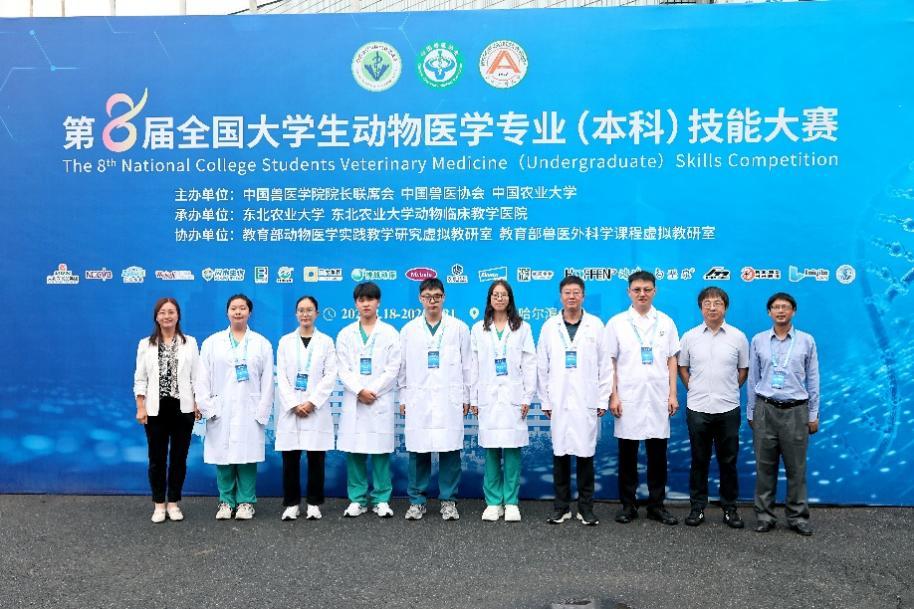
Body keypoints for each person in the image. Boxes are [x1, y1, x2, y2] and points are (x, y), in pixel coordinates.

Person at [536, 275, 612, 526]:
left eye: (576, 292)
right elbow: (542, 366)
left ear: (583, 296)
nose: (572, 296)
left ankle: (586, 508)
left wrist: (602, 399)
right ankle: (561, 507)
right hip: (558, 400)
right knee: (560, 455)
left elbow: (605, 365)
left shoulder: (595, 325)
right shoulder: (550, 327)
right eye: (567, 292)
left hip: (586, 400)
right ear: (561, 296)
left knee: (585, 455)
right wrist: (545, 401)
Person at [606, 270, 680, 526]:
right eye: (637, 290)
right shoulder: (617, 323)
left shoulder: (666, 322)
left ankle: (656, 505)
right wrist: (613, 395)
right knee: (627, 456)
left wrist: (672, 394)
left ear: (654, 291)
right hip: (628, 398)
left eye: (647, 289)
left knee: (657, 456)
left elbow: (672, 359)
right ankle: (628, 505)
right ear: (629, 292)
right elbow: (610, 362)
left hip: (658, 398)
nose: (642, 294)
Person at [398, 278, 472, 521]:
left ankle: (448, 501)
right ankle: (417, 501)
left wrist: (466, 395)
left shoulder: (459, 328)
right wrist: (403, 396)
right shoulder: (409, 330)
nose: (433, 301)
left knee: (450, 451)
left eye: (437, 296)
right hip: (418, 398)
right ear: (420, 298)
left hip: (448, 398)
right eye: (428, 296)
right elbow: (402, 368)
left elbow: (467, 365)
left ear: (444, 297)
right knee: (418, 451)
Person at [195, 294, 274, 521]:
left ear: (249, 312)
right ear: (227, 312)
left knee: (247, 458)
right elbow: (202, 378)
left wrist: (261, 411)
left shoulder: (261, 343)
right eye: (233, 308)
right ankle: (226, 502)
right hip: (222, 409)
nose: (238, 312)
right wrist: (208, 408)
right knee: (224, 457)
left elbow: (268, 381)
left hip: (250, 410)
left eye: (242, 308)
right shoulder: (212, 343)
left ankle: (246, 503)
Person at [748, 292, 820, 536]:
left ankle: (797, 517)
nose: (780, 311)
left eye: (785, 307)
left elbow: (813, 379)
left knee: (796, 469)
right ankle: (764, 516)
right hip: (765, 409)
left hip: (796, 411)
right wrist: (751, 411)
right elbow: (753, 379)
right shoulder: (758, 340)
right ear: (769, 312)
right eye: (776, 307)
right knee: (764, 468)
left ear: (793, 311)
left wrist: (813, 414)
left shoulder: (807, 341)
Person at [677, 287, 749, 528]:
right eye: (707, 303)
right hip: (698, 408)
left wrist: (729, 389)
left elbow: (743, 370)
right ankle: (697, 507)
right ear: (701, 308)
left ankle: (730, 508)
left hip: (728, 408)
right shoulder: (690, 337)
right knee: (699, 460)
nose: (712, 307)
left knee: (728, 461)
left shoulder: (738, 337)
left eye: (717, 302)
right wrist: (694, 388)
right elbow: (682, 368)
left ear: (725, 307)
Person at [469, 280, 536, 522]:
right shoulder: (478, 329)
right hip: (488, 396)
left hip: (513, 397)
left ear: (510, 299)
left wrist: (528, 396)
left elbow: (530, 363)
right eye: (495, 295)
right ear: (490, 299)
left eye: (503, 294)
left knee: (512, 450)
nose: (499, 298)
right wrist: (473, 397)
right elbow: (473, 366)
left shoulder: (522, 328)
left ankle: (512, 502)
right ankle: (493, 502)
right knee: (491, 451)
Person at [336, 282, 401, 518]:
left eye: (370, 299)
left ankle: (381, 499)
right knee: (355, 451)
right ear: (356, 303)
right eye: (361, 300)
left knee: (380, 451)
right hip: (356, 400)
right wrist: (359, 390)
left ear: (378, 302)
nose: (366, 304)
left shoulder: (390, 333)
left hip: (378, 399)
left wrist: (371, 390)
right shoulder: (345, 334)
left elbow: (393, 368)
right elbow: (342, 369)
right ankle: (357, 499)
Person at [133, 297, 200, 523]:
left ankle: (173, 503)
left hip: (183, 409)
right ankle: (159, 504)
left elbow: (196, 377)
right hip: (155, 410)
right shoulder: (146, 344)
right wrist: (140, 406)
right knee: (157, 459)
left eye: (171, 312)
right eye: (162, 312)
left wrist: (198, 403)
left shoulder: (190, 342)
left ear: (178, 315)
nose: (167, 316)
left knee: (179, 458)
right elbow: (140, 378)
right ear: (156, 317)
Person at [275, 295, 338, 521]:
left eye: (309, 310)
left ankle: (313, 503)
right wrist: (294, 403)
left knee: (316, 458)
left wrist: (312, 402)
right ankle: (291, 504)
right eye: (301, 310)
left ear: (317, 313)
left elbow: (330, 375)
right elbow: (281, 376)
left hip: (315, 409)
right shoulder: (285, 342)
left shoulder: (326, 342)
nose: (305, 314)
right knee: (290, 459)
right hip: (291, 409)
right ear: (296, 314)